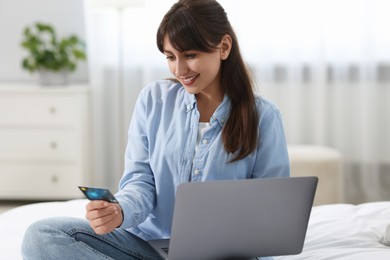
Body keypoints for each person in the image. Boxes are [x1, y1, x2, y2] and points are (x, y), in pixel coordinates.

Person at [21, 0, 290, 259]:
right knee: (42, 236)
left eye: (191, 55)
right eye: (170, 57)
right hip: (149, 248)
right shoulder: (154, 100)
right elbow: (140, 182)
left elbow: (270, 213)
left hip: (223, 253)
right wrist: (120, 210)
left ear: (224, 47)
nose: (179, 69)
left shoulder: (263, 116)